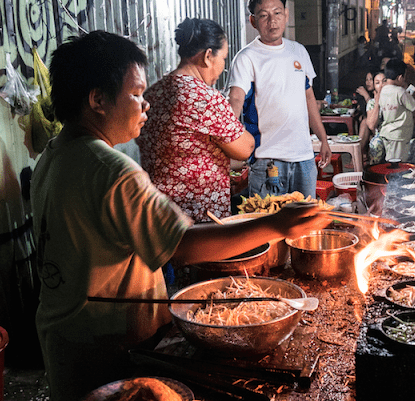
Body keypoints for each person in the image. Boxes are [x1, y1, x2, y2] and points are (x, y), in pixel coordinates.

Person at [32, 30, 330, 401]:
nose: (146, 105)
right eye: (136, 94)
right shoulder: (111, 170)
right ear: (97, 100)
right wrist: (276, 224)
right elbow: (182, 246)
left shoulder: (54, 155)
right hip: (112, 347)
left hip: (64, 338)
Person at [137, 18, 254, 222]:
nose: (223, 67)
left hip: (158, 215)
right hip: (198, 218)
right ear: (208, 56)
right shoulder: (205, 98)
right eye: (223, 58)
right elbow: (245, 148)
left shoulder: (151, 94)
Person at [227, 0, 331, 199]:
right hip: (267, 160)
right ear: (253, 21)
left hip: (304, 158)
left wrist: (323, 139)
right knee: (269, 225)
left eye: (277, 13)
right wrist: (229, 146)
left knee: (304, 223)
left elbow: (308, 97)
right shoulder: (246, 57)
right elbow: (236, 101)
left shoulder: (298, 51)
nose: (272, 21)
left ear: (286, 14)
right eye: (264, 15)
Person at [376, 58, 415, 163]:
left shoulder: (383, 91)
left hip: (387, 132)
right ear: (400, 77)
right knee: (397, 162)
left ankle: (391, 176)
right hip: (399, 134)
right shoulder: (400, 92)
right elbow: (413, 106)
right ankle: (394, 178)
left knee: (390, 158)